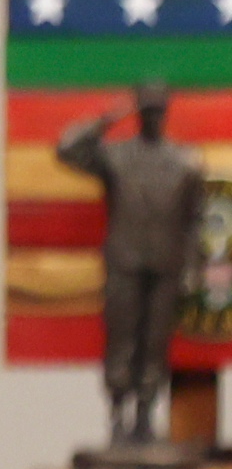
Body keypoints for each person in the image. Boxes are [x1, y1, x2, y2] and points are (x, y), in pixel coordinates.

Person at [55, 78, 205, 446]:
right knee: (121, 342)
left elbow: (195, 222)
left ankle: (144, 418)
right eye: (146, 109)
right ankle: (117, 418)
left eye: (158, 109)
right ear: (138, 112)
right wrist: (108, 118)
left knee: (154, 345)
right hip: (124, 262)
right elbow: (66, 148)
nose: (153, 116)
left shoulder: (185, 163)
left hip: (166, 266)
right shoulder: (116, 156)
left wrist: (193, 269)